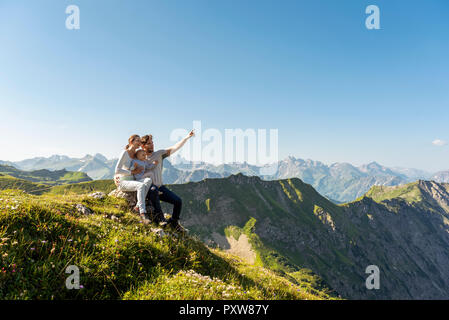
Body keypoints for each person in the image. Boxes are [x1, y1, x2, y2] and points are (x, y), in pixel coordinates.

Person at [140, 130, 195, 232]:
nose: (152, 145)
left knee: (178, 201)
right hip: (149, 189)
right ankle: (161, 218)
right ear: (143, 146)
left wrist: (187, 137)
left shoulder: (159, 154)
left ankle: (174, 222)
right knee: (153, 190)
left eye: (152, 143)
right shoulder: (140, 158)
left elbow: (175, 147)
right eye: (148, 143)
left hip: (160, 187)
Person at [114, 134, 152, 222]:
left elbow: (142, 161)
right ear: (131, 142)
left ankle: (137, 206)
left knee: (148, 180)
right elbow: (117, 170)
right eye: (137, 141)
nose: (139, 143)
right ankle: (142, 213)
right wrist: (132, 172)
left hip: (132, 180)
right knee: (141, 186)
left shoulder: (135, 154)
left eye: (140, 141)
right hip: (123, 182)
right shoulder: (125, 153)